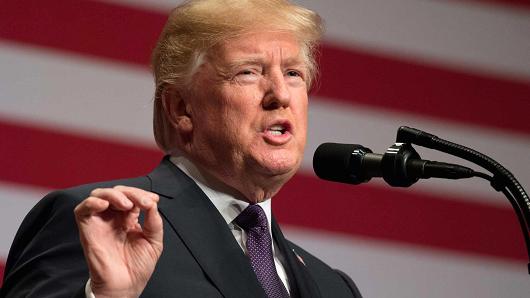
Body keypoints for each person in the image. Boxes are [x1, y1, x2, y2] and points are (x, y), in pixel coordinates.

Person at [1, 0, 362, 297]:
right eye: (248, 72)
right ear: (181, 108)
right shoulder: (105, 227)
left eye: (294, 74)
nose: (280, 95)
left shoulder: (334, 287)